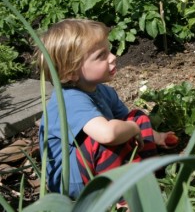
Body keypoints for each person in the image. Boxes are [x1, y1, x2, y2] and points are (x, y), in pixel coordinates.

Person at [37, 19, 174, 199]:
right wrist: (134, 128)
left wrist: (155, 136)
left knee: (136, 116)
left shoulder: (102, 91)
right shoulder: (69, 100)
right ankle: (122, 197)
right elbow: (107, 135)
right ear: (71, 73)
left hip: (92, 165)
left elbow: (128, 119)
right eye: (101, 55)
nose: (113, 57)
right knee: (103, 140)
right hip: (73, 180)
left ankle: (149, 172)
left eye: (108, 50)